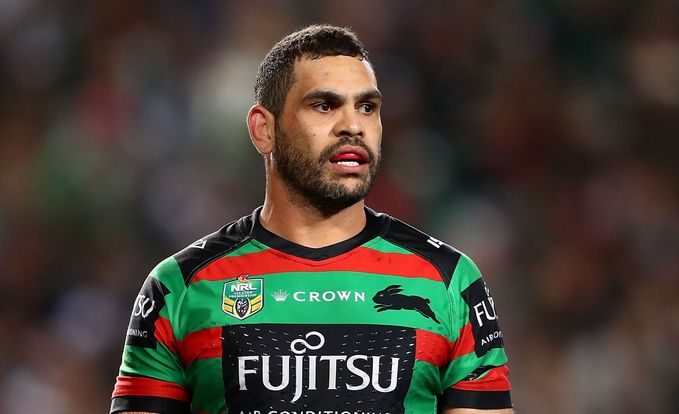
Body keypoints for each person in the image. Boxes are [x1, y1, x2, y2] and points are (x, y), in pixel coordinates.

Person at [110, 24, 513, 414]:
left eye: (367, 107)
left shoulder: (451, 282)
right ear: (263, 130)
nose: (352, 126)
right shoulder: (178, 288)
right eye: (324, 105)